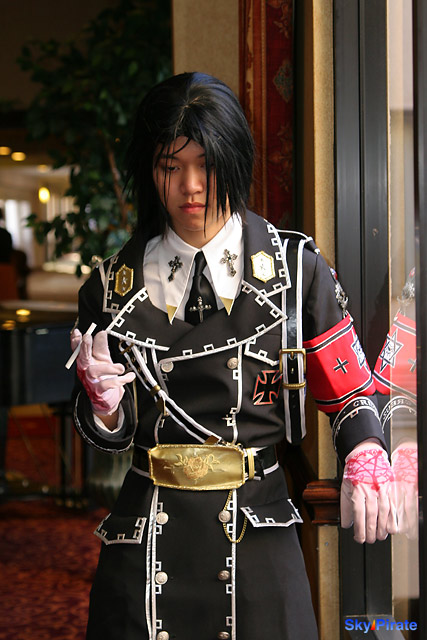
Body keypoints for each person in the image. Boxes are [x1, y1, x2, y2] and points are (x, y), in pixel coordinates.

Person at [71, 72, 397, 640]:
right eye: (171, 166)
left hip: (257, 532)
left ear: (236, 161)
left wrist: (366, 447)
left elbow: (351, 391)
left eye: (207, 164)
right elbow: (107, 434)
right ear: (151, 171)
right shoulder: (109, 287)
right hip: (146, 538)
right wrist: (105, 407)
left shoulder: (296, 270)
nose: (191, 186)